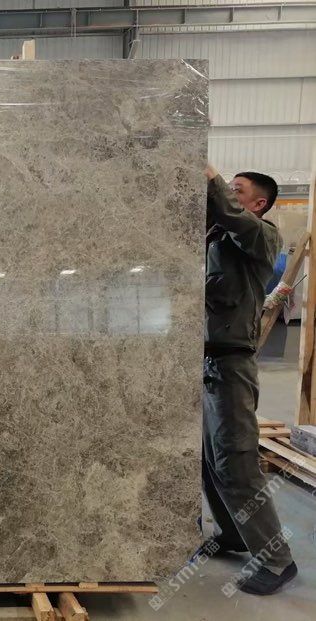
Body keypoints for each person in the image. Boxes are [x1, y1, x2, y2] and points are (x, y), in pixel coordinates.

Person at [199, 164, 297, 595]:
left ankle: (277, 561)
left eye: (237, 190)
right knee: (210, 462)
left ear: (259, 203)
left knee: (236, 463)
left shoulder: (262, 235)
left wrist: (211, 178)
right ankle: (234, 534)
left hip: (233, 366)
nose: (228, 193)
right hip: (210, 365)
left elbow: (231, 215)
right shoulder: (219, 240)